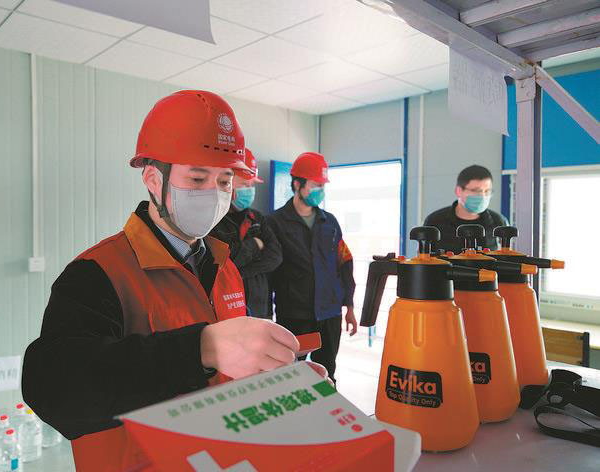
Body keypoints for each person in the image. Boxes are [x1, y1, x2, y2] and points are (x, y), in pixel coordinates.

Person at [21, 91, 320, 472]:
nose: (214, 194)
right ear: (153, 179)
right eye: (197, 177)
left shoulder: (225, 267)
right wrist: (200, 349)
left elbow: (227, 378)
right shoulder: (98, 272)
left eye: (224, 180)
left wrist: (274, 380)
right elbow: (56, 391)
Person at [268, 152, 357, 384]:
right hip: (294, 315)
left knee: (327, 374)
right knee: (289, 375)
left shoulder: (330, 222)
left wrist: (349, 305)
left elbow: (345, 264)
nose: (320, 190)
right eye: (315, 185)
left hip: (329, 314)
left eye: (322, 185)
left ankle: (327, 408)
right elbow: (268, 274)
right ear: (297, 184)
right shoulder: (275, 223)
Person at [209, 148, 282, 318]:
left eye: (252, 185)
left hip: (260, 309)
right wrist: (255, 244)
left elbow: (275, 257)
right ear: (226, 182)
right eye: (244, 185)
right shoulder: (212, 220)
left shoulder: (257, 218)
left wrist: (240, 273)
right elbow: (222, 263)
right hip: (227, 311)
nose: (249, 190)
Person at [424, 164, 508, 253]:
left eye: (487, 191)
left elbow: (506, 255)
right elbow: (424, 257)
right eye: (476, 191)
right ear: (459, 191)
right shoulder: (435, 221)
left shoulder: (498, 222)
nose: (483, 196)